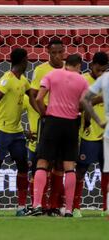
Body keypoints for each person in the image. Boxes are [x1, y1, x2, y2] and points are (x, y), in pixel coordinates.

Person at [30, 54, 89, 217]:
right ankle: (69, 209)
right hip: (71, 124)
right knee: (69, 166)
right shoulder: (82, 80)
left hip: (52, 122)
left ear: (66, 63)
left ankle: (36, 205)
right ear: (78, 66)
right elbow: (83, 105)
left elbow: (39, 98)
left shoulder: (52, 75)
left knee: (43, 162)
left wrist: (44, 113)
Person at [0, 48, 30, 217]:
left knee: (23, 166)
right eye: (27, 59)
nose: (28, 62)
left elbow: (34, 98)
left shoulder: (23, 81)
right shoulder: (6, 80)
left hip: (16, 131)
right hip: (1, 129)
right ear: (23, 61)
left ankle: (21, 207)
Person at [29, 39, 65, 215]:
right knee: (43, 161)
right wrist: (42, 113)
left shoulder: (69, 69)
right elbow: (33, 95)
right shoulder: (41, 70)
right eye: (54, 53)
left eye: (60, 52)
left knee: (60, 164)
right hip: (48, 122)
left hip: (66, 121)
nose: (58, 56)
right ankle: (40, 204)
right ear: (48, 53)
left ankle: (54, 205)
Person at [73, 52, 108, 218]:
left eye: (104, 70)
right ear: (92, 64)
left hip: (106, 134)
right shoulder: (83, 80)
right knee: (81, 170)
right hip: (88, 133)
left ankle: (105, 208)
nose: (100, 73)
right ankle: (75, 207)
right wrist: (97, 99)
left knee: (106, 172)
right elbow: (77, 107)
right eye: (98, 69)